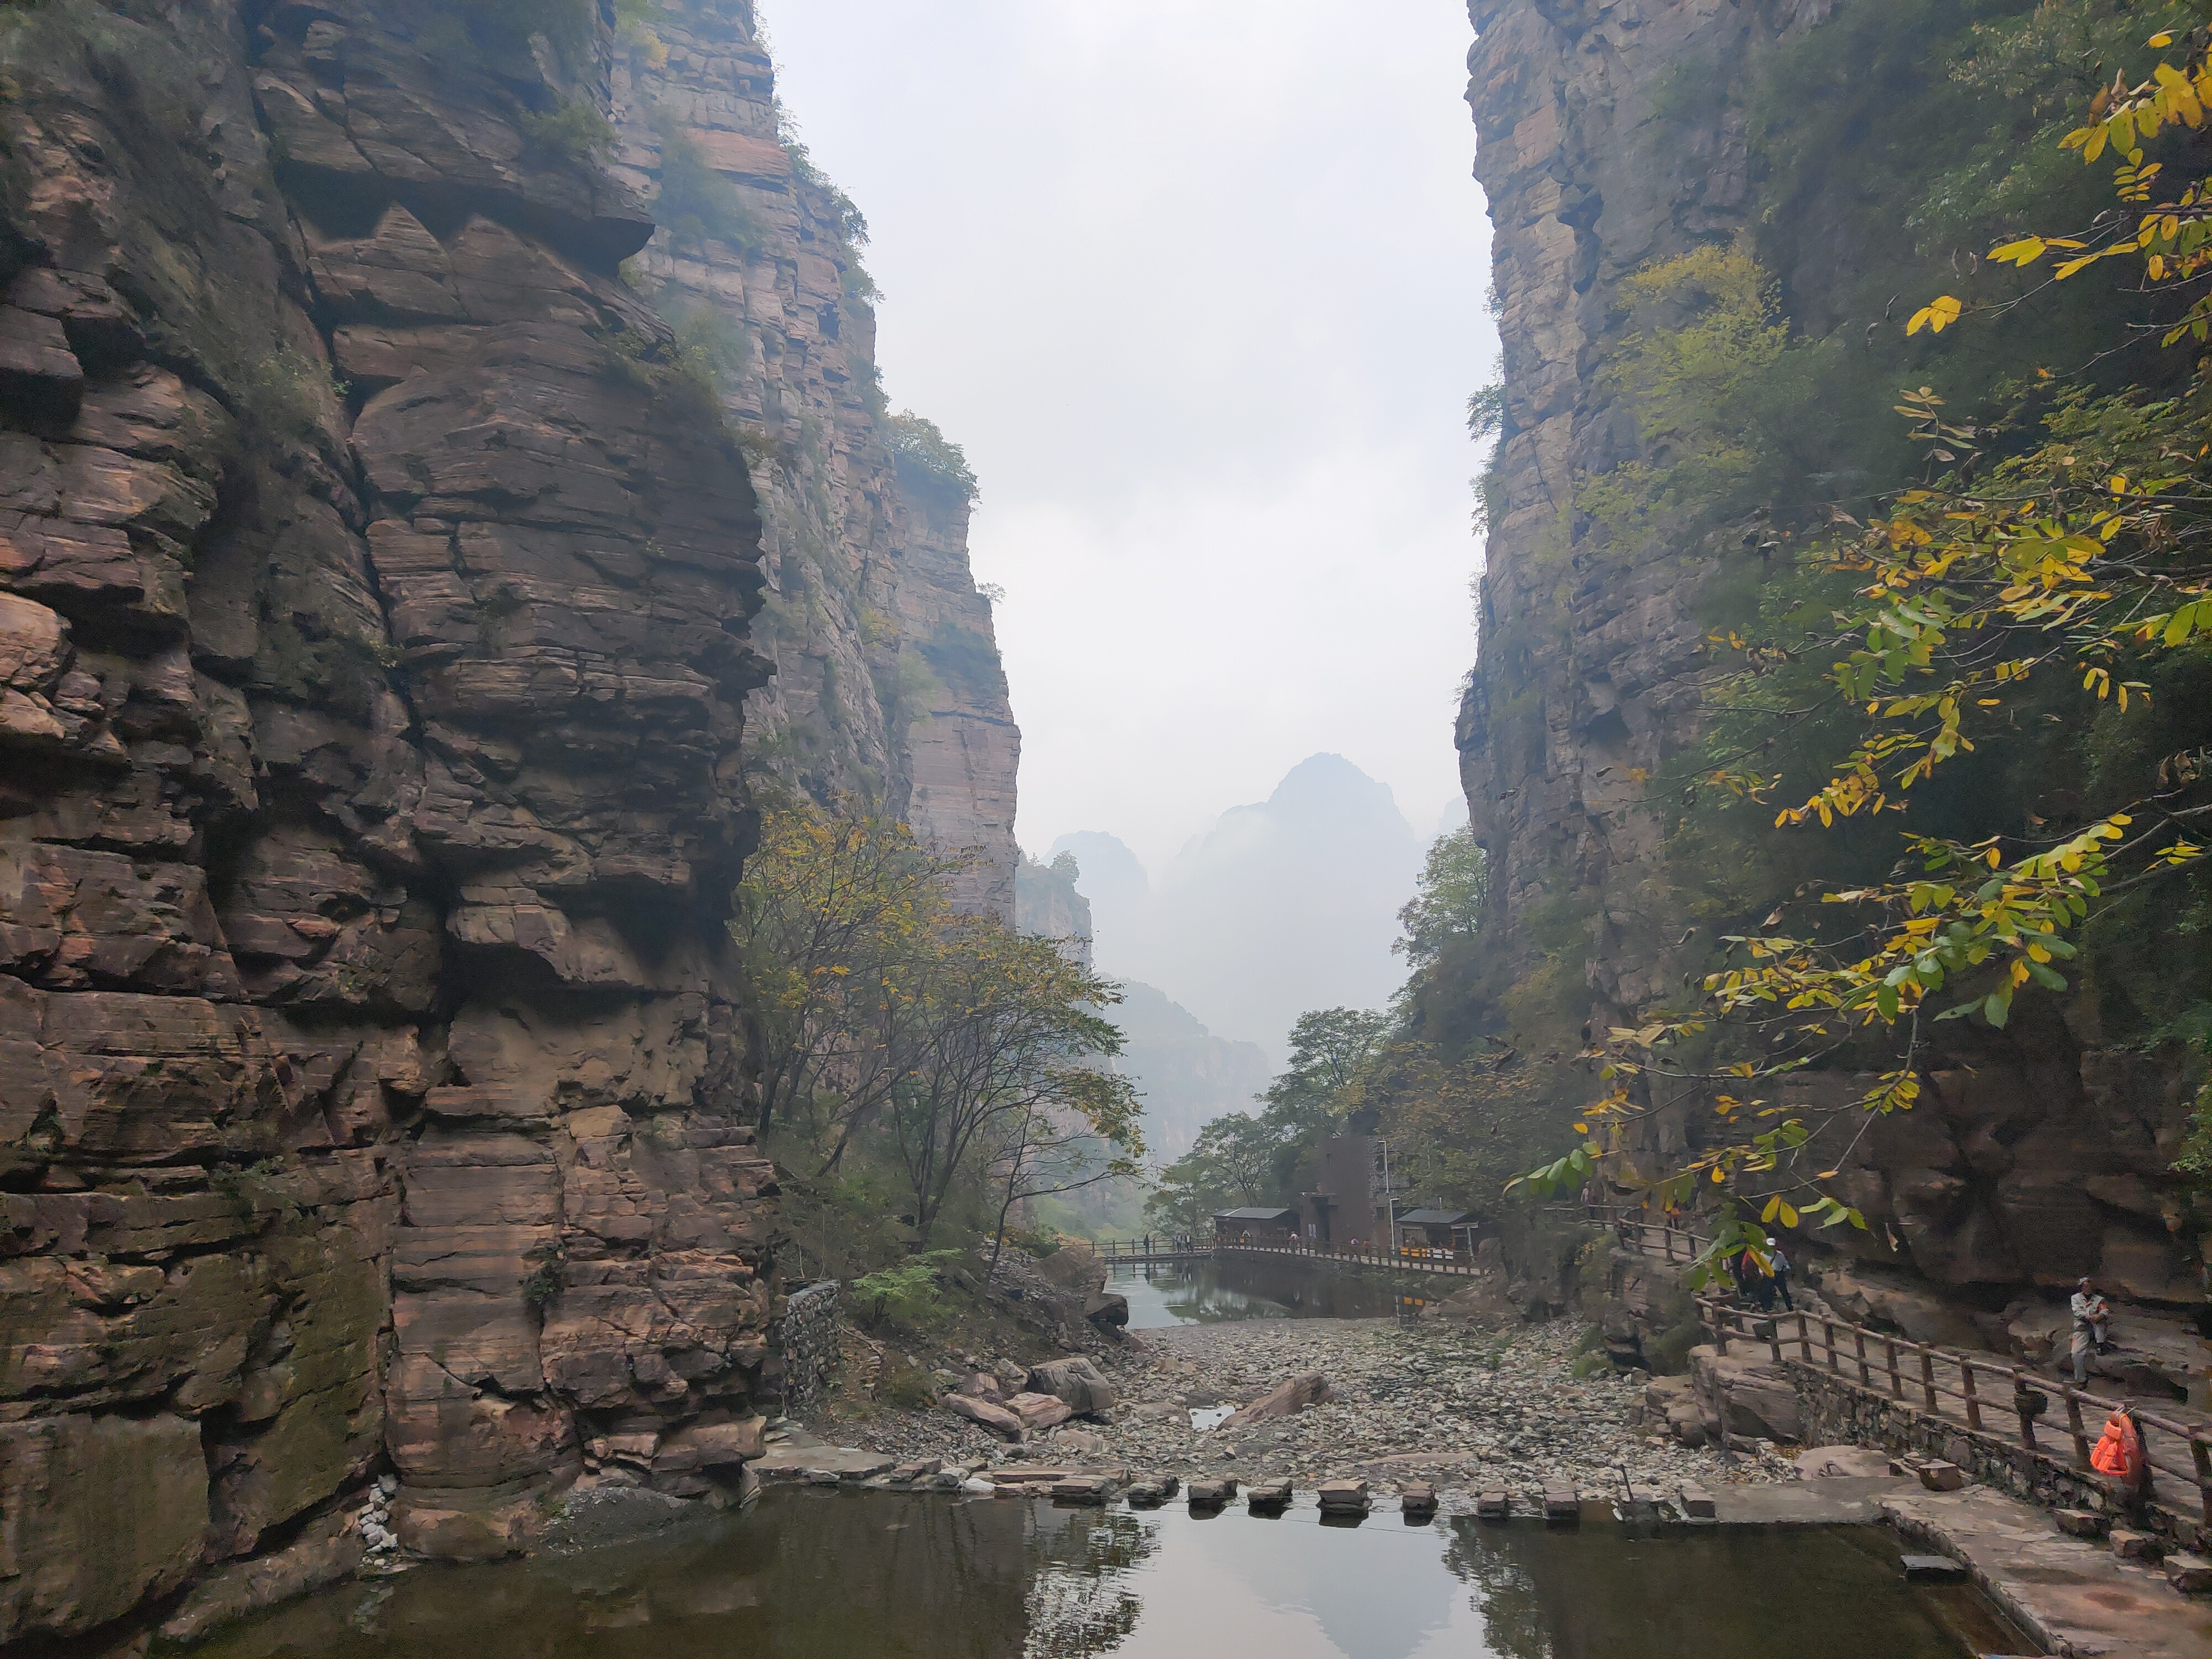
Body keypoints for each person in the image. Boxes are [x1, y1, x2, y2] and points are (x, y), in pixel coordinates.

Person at [2071, 1277, 2111, 1384]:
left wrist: (2101, 1315)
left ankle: (2100, 1345)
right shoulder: (2075, 1298)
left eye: (2089, 1286)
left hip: (2096, 1327)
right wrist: (2089, 1317)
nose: (2087, 1288)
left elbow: (2104, 1309)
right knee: (2076, 1353)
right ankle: (2081, 1380)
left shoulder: (2099, 1299)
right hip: (2082, 1328)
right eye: (2085, 1286)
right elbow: (2077, 1312)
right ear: (2081, 1287)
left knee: (2100, 1322)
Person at [1767, 1236, 1794, 1312]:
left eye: (1772, 1246)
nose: (1771, 1248)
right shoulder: (1764, 1254)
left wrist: (1786, 1268)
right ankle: (1768, 1309)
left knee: (1784, 1292)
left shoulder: (1780, 1254)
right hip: (1769, 1274)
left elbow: (1786, 1264)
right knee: (1768, 1291)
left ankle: (1790, 1307)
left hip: (1779, 1274)